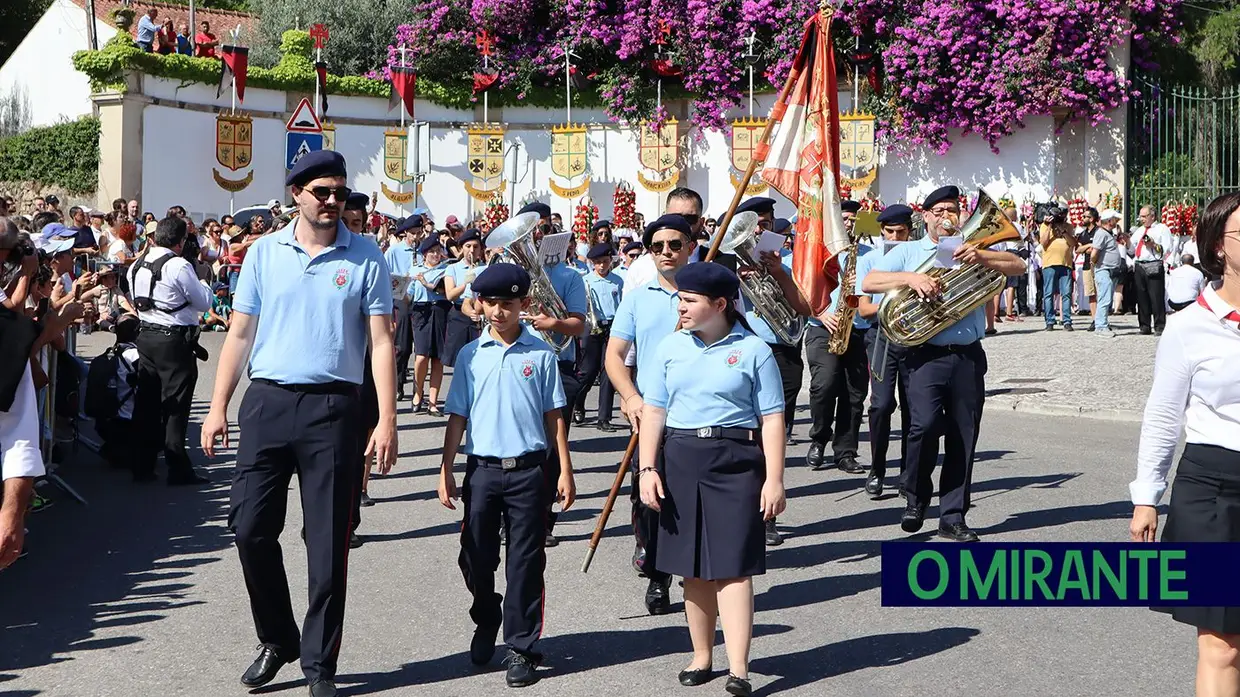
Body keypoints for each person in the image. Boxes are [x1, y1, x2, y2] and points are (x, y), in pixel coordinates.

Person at [201, 150, 397, 697]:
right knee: (248, 528)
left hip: (335, 408)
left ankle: (319, 666)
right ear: (297, 195)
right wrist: (218, 406)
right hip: (266, 403)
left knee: (329, 542)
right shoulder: (264, 253)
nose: (334, 202)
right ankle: (278, 638)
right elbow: (239, 334)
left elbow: (381, 342)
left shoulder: (366, 257)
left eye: (340, 193)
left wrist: (386, 418)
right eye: (323, 193)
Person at [637, 262, 786, 697]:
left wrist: (774, 478)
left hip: (736, 460)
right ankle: (702, 656)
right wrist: (648, 468)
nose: (679, 307)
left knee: (734, 568)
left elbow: (773, 418)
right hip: (681, 459)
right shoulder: (669, 347)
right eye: (679, 299)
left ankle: (739, 667)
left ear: (719, 304)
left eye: (689, 300)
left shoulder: (754, 350)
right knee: (692, 568)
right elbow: (655, 412)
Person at [437, 263, 575, 689]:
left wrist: (565, 468)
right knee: (476, 555)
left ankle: (521, 646)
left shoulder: (541, 353)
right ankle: (486, 614)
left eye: (508, 304)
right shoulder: (469, 355)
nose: (499, 312)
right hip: (482, 470)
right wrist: (445, 469)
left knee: (526, 561)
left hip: (529, 470)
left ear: (524, 305)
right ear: (480, 304)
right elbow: (457, 415)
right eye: (491, 303)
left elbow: (555, 416)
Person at [862, 185, 1026, 542]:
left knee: (963, 436)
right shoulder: (908, 250)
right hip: (924, 355)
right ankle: (916, 496)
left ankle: (953, 516)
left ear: (960, 214)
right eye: (937, 211)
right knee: (923, 426)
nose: (945, 216)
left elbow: (1019, 265)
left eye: (951, 209)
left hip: (967, 355)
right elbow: (869, 281)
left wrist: (981, 257)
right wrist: (912, 278)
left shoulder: (973, 246)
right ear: (925, 218)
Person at [1129, 191, 1240, 696]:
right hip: (1212, 489)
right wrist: (1146, 496)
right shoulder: (1188, 326)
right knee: (1222, 643)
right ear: (1219, 246)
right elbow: (1163, 415)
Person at [606, 212, 698, 615]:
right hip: (652, 413)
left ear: (690, 248)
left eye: (675, 244)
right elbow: (614, 355)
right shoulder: (638, 297)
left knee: (693, 499)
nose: (666, 252)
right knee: (650, 498)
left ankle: (695, 576)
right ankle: (658, 575)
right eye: (657, 246)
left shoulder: (709, 290)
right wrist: (629, 397)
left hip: (699, 413)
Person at [506, 201, 587, 547]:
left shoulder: (570, 276)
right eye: (530, 230)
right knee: (514, 441)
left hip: (557, 365)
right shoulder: (513, 274)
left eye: (541, 228)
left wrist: (553, 323)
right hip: (518, 364)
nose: (537, 235)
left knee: (553, 444)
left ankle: (544, 520)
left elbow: (579, 326)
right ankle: (508, 517)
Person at [126, 215, 212, 485]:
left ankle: (142, 464)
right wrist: (205, 282)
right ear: (181, 241)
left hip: (146, 335)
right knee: (176, 405)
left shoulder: (136, 265)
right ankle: (178, 468)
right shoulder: (178, 265)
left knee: (147, 403)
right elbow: (202, 303)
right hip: (173, 340)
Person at [805, 198, 869, 474]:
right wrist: (820, 313)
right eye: (844, 218)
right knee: (825, 384)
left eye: (854, 219)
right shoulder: (818, 253)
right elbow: (801, 289)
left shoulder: (869, 253)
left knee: (855, 394)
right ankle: (819, 437)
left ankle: (845, 452)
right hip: (823, 326)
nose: (849, 223)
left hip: (858, 330)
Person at [854, 204, 914, 498]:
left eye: (900, 232)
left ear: (909, 231)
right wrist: (894, 306)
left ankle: (909, 473)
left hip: (915, 335)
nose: (894, 237)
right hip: (880, 336)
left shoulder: (917, 256)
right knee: (880, 405)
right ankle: (877, 468)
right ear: (881, 231)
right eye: (889, 232)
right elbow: (864, 309)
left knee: (914, 410)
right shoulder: (870, 260)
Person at [574, 243, 623, 431]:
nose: (601, 266)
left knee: (608, 371)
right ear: (592, 263)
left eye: (605, 261)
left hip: (611, 327)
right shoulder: (585, 281)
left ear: (611, 260)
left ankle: (604, 418)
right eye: (597, 263)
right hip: (591, 327)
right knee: (588, 371)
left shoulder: (618, 281)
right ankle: (578, 400)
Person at [407, 236, 451, 414]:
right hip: (421, 311)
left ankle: (433, 402)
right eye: (431, 251)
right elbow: (408, 295)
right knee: (421, 356)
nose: (435, 254)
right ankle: (418, 392)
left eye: (438, 251)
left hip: (440, 309)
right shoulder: (415, 270)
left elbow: (446, 290)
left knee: (438, 358)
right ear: (424, 254)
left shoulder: (446, 270)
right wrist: (398, 291)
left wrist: (427, 284)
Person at [384, 215, 420, 400]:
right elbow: (385, 275)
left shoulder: (423, 250)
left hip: (419, 298)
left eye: (418, 233)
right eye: (412, 233)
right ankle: (397, 384)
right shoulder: (394, 251)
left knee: (419, 349)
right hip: (401, 298)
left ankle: (418, 391)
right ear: (405, 232)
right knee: (403, 346)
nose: (415, 237)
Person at [442, 228, 485, 368]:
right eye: (468, 246)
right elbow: (450, 295)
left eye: (476, 247)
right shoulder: (452, 268)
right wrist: (467, 282)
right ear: (461, 248)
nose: (472, 250)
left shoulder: (485, 268)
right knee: (458, 361)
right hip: (459, 314)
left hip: (479, 314)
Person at [1131, 205, 1174, 335]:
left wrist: (1153, 245)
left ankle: (1159, 325)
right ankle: (1144, 325)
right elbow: (1132, 249)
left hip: (1153, 264)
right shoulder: (1139, 231)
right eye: (1141, 216)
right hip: (1139, 264)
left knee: (1156, 296)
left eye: (1144, 216)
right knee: (1142, 297)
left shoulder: (1162, 229)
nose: (1142, 219)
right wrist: (1127, 241)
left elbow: (1167, 249)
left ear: (1153, 216)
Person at [1039, 207, 1077, 330]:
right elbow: (1043, 243)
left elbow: (1073, 243)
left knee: (1066, 293)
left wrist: (1063, 231)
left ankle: (1066, 320)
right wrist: (1050, 226)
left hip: (1066, 264)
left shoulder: (1069, 226)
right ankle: (1050, 321)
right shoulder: (1044, 226)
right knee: (1048, 293)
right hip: (1049, 263)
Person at [1091, 210, 1124, 336]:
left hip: (1110, 269)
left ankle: (1102, 323)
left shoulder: (1108, 233)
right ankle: (1100, 326)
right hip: (1103, 269)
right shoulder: (1102, 234)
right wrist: (1095, 266)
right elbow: (1094, 253)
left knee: (1106, 297)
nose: (1116, 222)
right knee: (1104, 298)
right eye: (1115, 219)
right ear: (1109, 221)